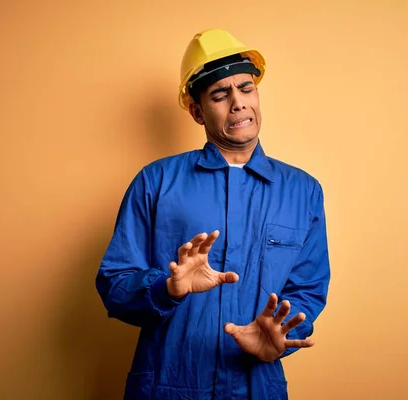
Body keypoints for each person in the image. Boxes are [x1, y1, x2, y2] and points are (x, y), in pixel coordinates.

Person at [96, 28, 331, 400]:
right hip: (166, 385)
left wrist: (282, 334)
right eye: (220, 95)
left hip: (258, 387)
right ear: (196, 110)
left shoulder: (303, 191)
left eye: (246, 88)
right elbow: (115, 283)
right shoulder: (155, 182)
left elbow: (307, 289)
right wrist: (166, 288)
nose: (238, 103)